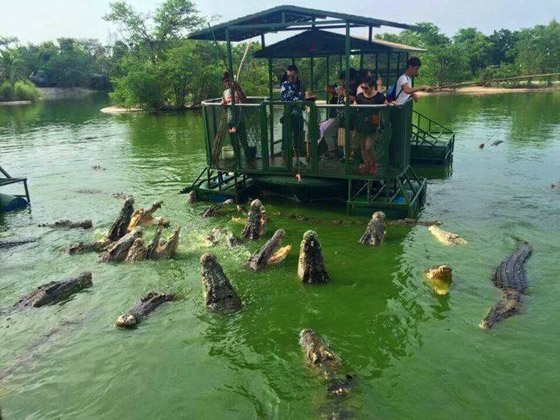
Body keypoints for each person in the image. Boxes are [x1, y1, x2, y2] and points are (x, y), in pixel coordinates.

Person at [355, 75, 391, 175]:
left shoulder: (379, 96)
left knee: (369, 146)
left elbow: (387, 105)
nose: (363, 89)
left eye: (366, 88)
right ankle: (366, 165)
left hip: (373, 124)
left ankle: (373, 165)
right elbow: (354, 106)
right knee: (362, 146)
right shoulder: (360, 96)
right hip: (361, 123)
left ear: (372, 87)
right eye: (362, 87)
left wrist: (392, 104)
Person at [221, 71, 256, 167]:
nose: (227, 83)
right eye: (225, 81)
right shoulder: (225, 93)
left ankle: (249, 161)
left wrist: (238, 87)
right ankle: (238, 160)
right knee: (234, 141)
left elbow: (244, 100)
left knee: (244, 141)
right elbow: (223, 103)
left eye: (229, 80)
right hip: (231, 122)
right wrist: (223, 104)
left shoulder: (239, 90)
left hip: (240, 121)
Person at [280, 64, 305, 166]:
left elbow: (302, 98)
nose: (290, 78)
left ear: (296, 74)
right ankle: (285, 162)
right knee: (285, 138)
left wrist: (297, 100)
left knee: (298, 138)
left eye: (292, 76)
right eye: (289, 76)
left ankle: (297, 160)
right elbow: (285, 99)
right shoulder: (284, 84)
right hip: (287, 115)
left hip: (298, 115)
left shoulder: (301, 84)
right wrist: (296, 99)